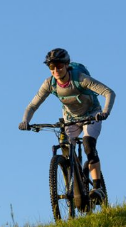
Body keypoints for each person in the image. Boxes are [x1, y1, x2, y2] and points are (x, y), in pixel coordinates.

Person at [18, 48, 115, 207]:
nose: (55, 70)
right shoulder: (50, 83)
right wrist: (25, 121)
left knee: (88, 146)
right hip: (70, 119)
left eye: (59, 66)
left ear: (67, 65)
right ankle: (74, 183)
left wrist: (105, 112)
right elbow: (33, 106)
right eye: (51, 67)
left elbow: (109, 92)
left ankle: (97, 188)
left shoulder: (81, 79)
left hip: (91, 115)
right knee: (65, 148)